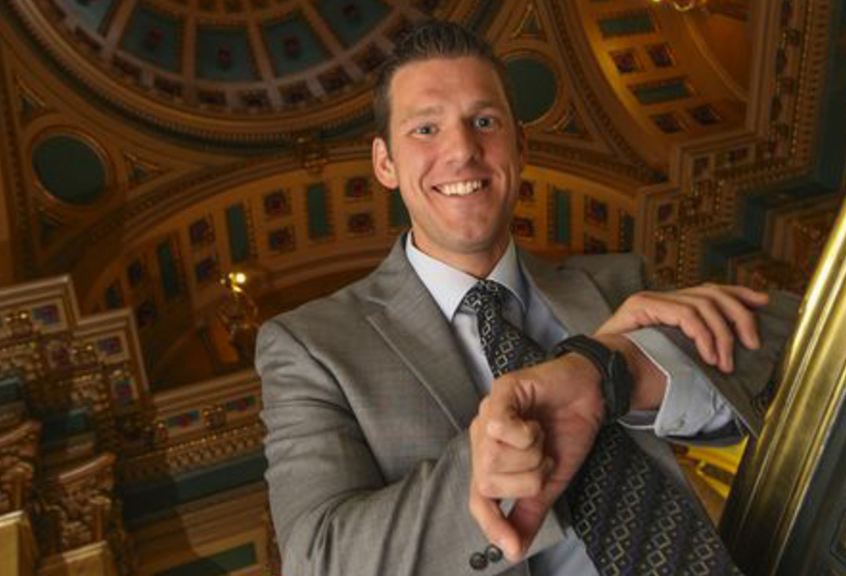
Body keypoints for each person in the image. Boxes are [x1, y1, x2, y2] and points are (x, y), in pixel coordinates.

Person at [255, 20, 796, 576]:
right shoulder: (311, 345)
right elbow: (319, 560)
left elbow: (800, 342)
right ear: (384, 163)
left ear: (522, 145)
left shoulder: (616, 283)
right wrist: (495, 463)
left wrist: (612, 370)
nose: (463, 150)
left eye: (484, 121)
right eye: (425, 129)